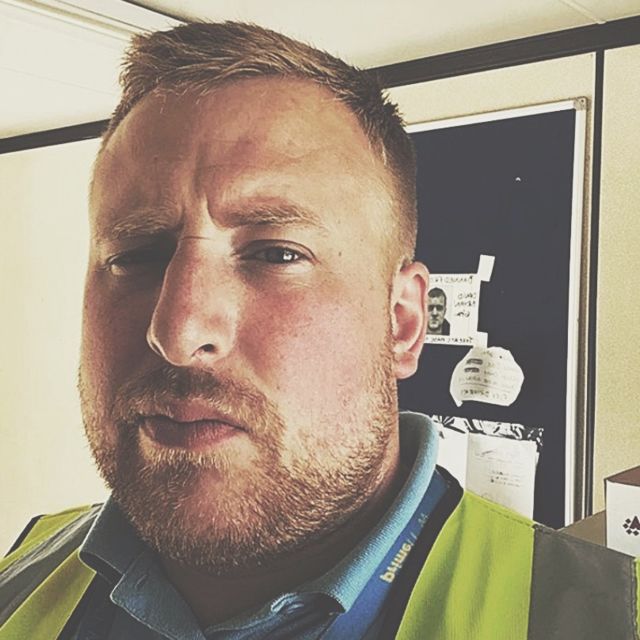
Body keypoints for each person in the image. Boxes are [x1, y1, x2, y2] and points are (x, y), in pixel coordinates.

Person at [0, 21, 637, 640]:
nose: (179, 330)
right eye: (136, 255)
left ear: (402, 322)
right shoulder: (20, 576)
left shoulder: (611, 616)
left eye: (276, 253)